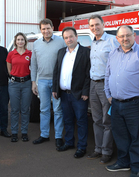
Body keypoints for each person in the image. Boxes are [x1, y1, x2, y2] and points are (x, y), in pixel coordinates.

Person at [104, 25, 139, 177]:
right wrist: (108, 94)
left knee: (137, 137)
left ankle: (137, 167)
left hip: (136, 103)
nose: (125, 39)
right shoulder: (113, 53)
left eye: (128, 35)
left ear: (134, 36)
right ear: (117, 38)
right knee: (120, 136)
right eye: (121, 36)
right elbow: (108, 75)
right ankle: (123, 162)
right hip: (116, 103)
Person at [52, 27, 91, 158]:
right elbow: (56, 71)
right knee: (67, 120)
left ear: (76, 37)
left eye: (71, 36)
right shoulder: (61, 52)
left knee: (81, 121)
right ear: (64, 39)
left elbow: (87, 74)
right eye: (66, 37)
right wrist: (55, 89)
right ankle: (69, 142)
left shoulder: (85, 52)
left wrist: (86, 91)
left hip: (79, 94)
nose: (69, 39)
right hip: (64, 94)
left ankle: (81, 147)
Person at [87, 15, 119, 163]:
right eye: (92, 26)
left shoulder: (112, 41)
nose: (95, 28)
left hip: (106, 84)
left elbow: (119, 63)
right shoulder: (93, 43)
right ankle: (98, 149)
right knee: (96, 119)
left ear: (103, 24)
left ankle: (107, 151)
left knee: (108, 120)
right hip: (93, 84)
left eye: (97, 25)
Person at [31, 19, 66, 148]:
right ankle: (44, 134)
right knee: (44, 109)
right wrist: (34, 82)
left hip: (57, 81)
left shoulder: (61, 42)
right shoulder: (36, 44)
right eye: (43, 29)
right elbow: (33, 64)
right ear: (40, 30)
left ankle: (58, 136)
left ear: (52, 27)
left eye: (48, 28)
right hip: (42, 81)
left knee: (57, 110)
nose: (46, 31)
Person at [6, 32, 32, 142]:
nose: (20, 41)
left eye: (22, 39)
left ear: (25, 41)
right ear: (15, 42)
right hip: (14, 84)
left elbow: (33, 67)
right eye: (18, 40)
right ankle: (14, 133)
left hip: (26, 84)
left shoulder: (29, 53)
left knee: (25, 109)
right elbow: (9, 69)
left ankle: (24, 132)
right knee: (15, 109)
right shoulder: (11, 54)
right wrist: (14, 77)